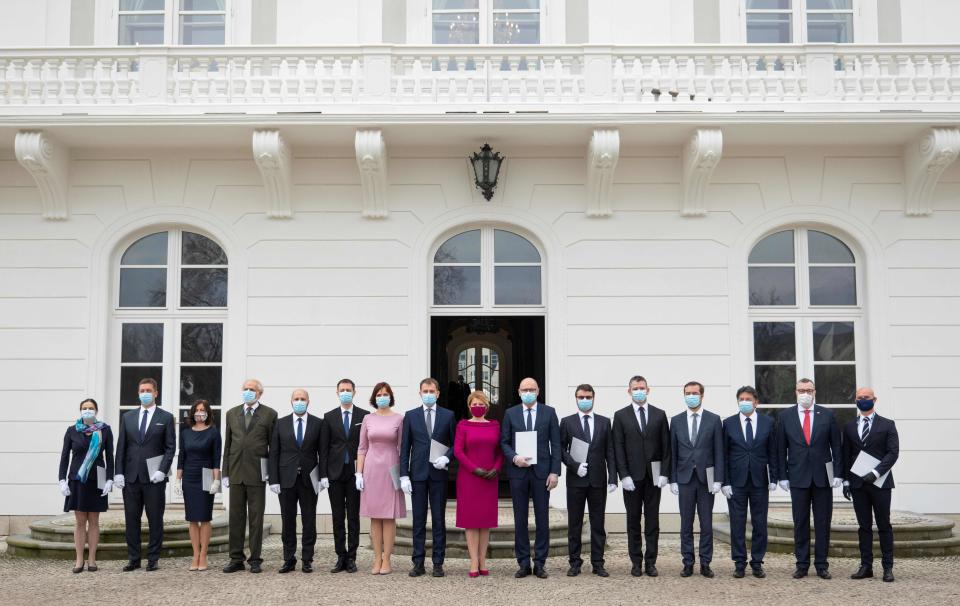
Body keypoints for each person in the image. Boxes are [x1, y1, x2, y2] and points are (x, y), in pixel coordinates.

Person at [777, 378, 843, 580]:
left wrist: (839, 473)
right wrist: (782, 476)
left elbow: (836, 447)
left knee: (823, 522)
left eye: (809, 390)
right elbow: (780, 449)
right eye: (801, 390)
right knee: (800, 522)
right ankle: (802, 564)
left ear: (815, 392)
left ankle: (822, 564)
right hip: (797, 477)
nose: (805, 393)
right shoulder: (785, 416)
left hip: (823, 478)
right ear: (795, 392)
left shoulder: (828, 414)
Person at [500, 377, 561, 579]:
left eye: (532, 389)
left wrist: (555, 472)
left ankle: (540, 562)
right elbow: (504, 442)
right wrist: (514, 457)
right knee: (520, 519)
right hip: (518, 472)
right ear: (518, 391)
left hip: (542, 473)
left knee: (542, 519)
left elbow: (556, 444)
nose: (528, 392)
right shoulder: (511, 413)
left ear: (538, 391)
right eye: (525, 389)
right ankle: (523, 562)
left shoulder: (549, 412)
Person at [114, 377, 176, 572]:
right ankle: (133, 558)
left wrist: (162, 470)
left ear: (156, 393)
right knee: (131, 519)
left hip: (154, 477)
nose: (145, 393)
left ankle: (153, 558)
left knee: (155, 519)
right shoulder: (128, 417)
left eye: (148, 390)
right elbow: (121, 447)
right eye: (142, 390)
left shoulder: (165, 417)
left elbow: (170, 447)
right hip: (131, 477)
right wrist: (118, 473)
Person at [612, 375, 671, 577]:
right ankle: (636, 561)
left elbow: (666, 446)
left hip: (654, 477)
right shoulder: (620, 416)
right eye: (635, 388)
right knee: (633, 520)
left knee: (652, 521)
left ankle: (651, 562)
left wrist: (665, 473)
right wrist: (623, 475)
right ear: (629, 391)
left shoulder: (659, 414)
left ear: (648, 390)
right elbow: (617, 447)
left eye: (642, 387)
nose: (639, 390)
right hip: (632, 478)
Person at [399, 378, 456, 578]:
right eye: (425, 390)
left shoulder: (448, 415)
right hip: (418, 475)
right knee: (419, 521)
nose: (429, 394)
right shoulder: (411, 416)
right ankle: (418, 562)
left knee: (439, 520)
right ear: (420, 392)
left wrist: (446, 458)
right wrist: (403, 475)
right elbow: (405, 447)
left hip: (439, 474)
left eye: (432, 391)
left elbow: (456, 444)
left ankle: (438, 562)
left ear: (438, 393)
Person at [842, 387, 899, 583]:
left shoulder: (888, 424)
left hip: (880, 483)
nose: (862, 400)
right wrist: (846, 481)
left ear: (874, 399)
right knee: (863, 527)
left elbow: (893, 453)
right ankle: (866, 566)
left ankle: (887, 567)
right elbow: (846, 455)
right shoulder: (849, 426)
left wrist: (875, 473)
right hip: (858, 484)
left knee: (884, 525)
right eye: (859, 397)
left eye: (866, 397)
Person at [221, 379, 278, 574]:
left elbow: (273, 447)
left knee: (255, 519)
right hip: (236, 472)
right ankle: (236, 558)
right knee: (235, 518)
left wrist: (272, 473)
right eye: (245, 389)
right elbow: (227, 445)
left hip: (257, 474)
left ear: (259, 393)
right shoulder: (231, 413)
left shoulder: (270, 414)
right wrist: (225, 472)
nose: (248, 392)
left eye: (251, 389)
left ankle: (255, 559)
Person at [560, 384, 617, 578]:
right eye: (581, 397)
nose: (585, 400)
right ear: (576, 398)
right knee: (574, 523)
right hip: (576, 480)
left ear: (594, 398)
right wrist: (574, 465)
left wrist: (613, 477)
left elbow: (610, 450)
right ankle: (575, 562)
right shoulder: (567, 422)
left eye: (588, 397)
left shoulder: (603, 422)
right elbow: (560, 449)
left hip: (598, 480)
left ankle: (598, 562)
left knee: (598, 523)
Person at [720, 386, 777, 579]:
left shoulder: (768, 422)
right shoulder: (728, 424)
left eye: (748, 399)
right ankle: (739, 562)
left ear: (756, 402)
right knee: (737, 523)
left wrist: (774, 478)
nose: (744, 402)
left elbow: (773, 452)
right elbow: (723, 455)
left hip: (760, 481)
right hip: (736, 482)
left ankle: (757, 562)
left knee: (760, 523)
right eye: (741, 399)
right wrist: (724, 482)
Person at [670, 381, 724, 579]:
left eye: (694, 393)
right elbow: (673, 452)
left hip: (706, 479)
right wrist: (673, 479)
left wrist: (719, 478)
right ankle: (687, 562)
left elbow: (719, 451)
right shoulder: (675, 421)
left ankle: (705, 562)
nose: (690, 396)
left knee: (706, 523)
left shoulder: (714, 419)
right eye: (687, 393)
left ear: (702, 395)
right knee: (686, 523)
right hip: (684, 478)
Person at [269, 389, 323, 574]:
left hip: (309, 480)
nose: (299, 402)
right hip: (286, 480)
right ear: (291, 401)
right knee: (288, 521)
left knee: (309, 521)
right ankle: (288, 559)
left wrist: (323, 476)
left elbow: (322, 452)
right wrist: (273, 479)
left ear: (309, 401)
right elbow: (274, 453)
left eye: (303, 399)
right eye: (296, 399)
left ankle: (307, 559)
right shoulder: (280, 424)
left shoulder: (318, 423)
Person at [59, 398, 114, 573]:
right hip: (77, 479)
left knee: (94, 520)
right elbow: (64, 457)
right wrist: (62, 480)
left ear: (96, 411)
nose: (87, 411)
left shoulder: (104, 430)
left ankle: (92, 559)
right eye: (84, 408)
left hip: (97, 478)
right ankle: (79, 559)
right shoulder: (72, 431)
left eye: (91, 408)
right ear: (80, 411)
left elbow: (110, 457)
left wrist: (110, 479)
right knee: (80, 521)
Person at [356, 381, 406, 575]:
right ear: (374, 398)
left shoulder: (399, 419)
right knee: (375, 517)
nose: (382, 397)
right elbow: (362, 448)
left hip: (391, 468)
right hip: (371, 469)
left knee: (389, 516)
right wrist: (358, 473)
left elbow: (402, 448)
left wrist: (403, 474)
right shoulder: (368, 419)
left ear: (390, 397)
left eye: (385, 394)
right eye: (378, 394)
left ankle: (387, 559)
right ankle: (376, 558)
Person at [321, 378, 368, 573]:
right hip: (335, 473)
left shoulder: (364, 416)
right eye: (342, 390)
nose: (345, 392)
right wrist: (323, 474)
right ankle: (340, 555)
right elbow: (323, 449)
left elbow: (366, 445)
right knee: (338, 516)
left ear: (354, 392)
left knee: (353, 517)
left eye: (349, 390)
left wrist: (363, 473)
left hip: (355, 474)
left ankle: (352, 557)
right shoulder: (329, 416)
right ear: (337, 392)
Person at [454, 391, 503, 578]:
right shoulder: (463, 425)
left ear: (487, 406)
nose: (478, 406)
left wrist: (497, 469)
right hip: (469, 478)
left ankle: (483, 559)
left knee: (485, 522)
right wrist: (475, 469)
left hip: (490, 479)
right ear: (469, 406)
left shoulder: (495, 425)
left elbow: (500, 451)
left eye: (481, 403)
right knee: (471, 521)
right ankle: (473, 559)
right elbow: (458, 451)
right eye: (474, 404)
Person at [176, 399, 222, 571]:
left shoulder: (213, 432)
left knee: (204, 516)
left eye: (203, 410)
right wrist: (177, 480)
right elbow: (181, 456)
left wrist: (217, 479)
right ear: (192, 412)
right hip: (189, 475)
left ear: (208, 413)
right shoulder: (186, 433)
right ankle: (195, 554)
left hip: (206, 475)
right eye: (197, 410)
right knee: (192, 517)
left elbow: (217, 457)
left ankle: (204, 555)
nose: (200, 412)